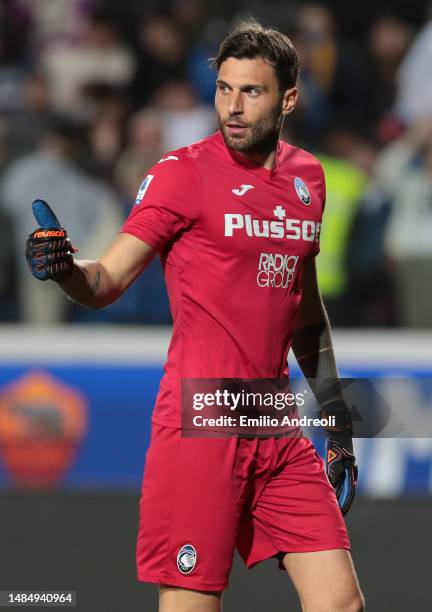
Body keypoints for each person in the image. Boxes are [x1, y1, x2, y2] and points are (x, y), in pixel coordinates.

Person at [25, 21, 364, 612]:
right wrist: (63, 268)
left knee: (340, 602)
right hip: (199, 421)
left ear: (287, 98)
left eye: (251, 92)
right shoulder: (182, 173)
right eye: (224, 89)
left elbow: (304, 308)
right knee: (191, 605)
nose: (232, 108)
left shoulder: (309, 177)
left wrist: (337, 419)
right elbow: (105, 280)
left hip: (275, 421)